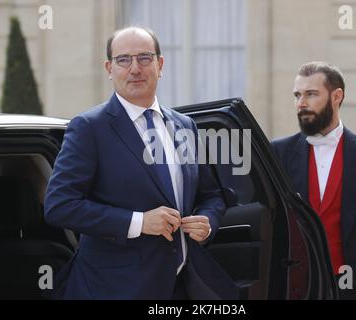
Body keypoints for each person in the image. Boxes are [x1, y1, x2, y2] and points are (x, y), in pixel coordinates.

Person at [44, 26, 238, 300]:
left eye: (145, 58)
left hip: (182, 284)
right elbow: (59, 206)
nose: (135, 68)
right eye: (124, 60)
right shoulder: (89, 128)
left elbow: (211, 195)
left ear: (159, 65)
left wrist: (208, 221)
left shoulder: (184, 126)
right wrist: (139, 222)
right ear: (110, 68)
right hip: (114, 289)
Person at [270, 61, 356, 299]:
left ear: (337, 96)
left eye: (311, 94)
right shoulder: (278, 152)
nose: (301, 103)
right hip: (298, 288)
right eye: (297, 95)